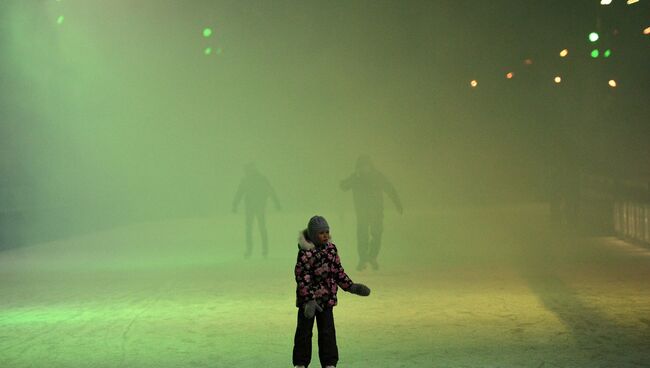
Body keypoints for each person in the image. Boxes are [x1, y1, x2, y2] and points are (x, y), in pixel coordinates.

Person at [293, 215, 371, 368]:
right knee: (304, 333)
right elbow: (302, 277)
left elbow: (337, 272)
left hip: (326, 300)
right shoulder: (305, 253)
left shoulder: (331, 250)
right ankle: (300, 364)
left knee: (327, 332)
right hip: (308, 303)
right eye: (321, 233)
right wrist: (309, 300)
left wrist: (351, 287)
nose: (325, 235)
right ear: (314, 234)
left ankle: (329, 363)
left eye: (327, 232)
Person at [340, 155, 403, 271]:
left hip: (376, 211)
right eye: (362, 166)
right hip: (362, 212)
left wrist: (397, 204)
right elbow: (343, 186)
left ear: (370, 166)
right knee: (362, 235)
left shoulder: (377, 176)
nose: (365, 168)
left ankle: (372, 256)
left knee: (377, 233)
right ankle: (363, 259)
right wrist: (353, 179)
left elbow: (390, 188)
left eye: (366, 166)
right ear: (358, 167)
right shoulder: (356, 177)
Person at [232, 162, 281, 258]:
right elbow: (270, 190)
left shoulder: (249, 180)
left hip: (253, 207)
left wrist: (235, 205)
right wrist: (276, 203)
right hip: (258, 207)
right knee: (260, 227)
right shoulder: (259, 178)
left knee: (251, 228)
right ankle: (263, 250)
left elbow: (239, 193)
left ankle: (254, 250)